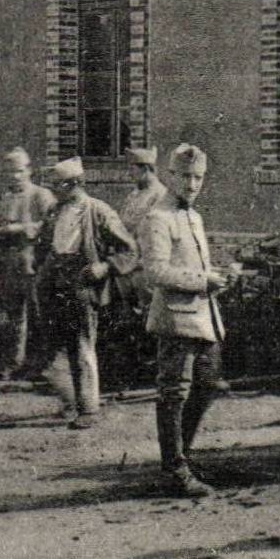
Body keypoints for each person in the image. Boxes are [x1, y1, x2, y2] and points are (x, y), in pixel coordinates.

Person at [143, 144, 236, 497]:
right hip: (176, 320)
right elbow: (156, 271)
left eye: (198, 177)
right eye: (185, 176)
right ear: (170, 176)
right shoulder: (158, 217)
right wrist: (203, 281)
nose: (192, 184)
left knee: (208, 383)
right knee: (174, 393)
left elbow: (192, 264)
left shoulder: (193, 217)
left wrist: (214, 275)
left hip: (204, 318)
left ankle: (184, 455)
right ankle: (174, 469)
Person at [36, 157, 139, 428]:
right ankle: (70, 401)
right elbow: (45, 246)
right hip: (54, 283)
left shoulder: (98, 211)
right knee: (55, 345)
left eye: (57, 185)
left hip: (82, 282)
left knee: (82, 344)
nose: (53, 190)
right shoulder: (54, 211)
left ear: (74, 184)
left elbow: (130, 250)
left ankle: (89, 408)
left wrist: (104, 267)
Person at [0, 148, 55, 381]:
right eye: (9, 172)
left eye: (19, 171)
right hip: (10, 262)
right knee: (14, 316)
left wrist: (20, 228)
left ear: (29, 170)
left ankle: (41, 363)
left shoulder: (41, 195)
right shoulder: (5, 198)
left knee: (39, 314)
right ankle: (14, 361)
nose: (14, 176)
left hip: (34, 262)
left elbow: (51, 226)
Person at [111, 147, 169, 394]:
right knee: (129, 318)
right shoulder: (135, 194)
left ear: (146, 169)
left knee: (150, 316)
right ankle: (134, 368)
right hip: (129, 264)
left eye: (133, 169)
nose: (129, 173)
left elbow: (152, 231)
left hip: (147, 264)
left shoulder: (160, 196)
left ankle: (154, 369)